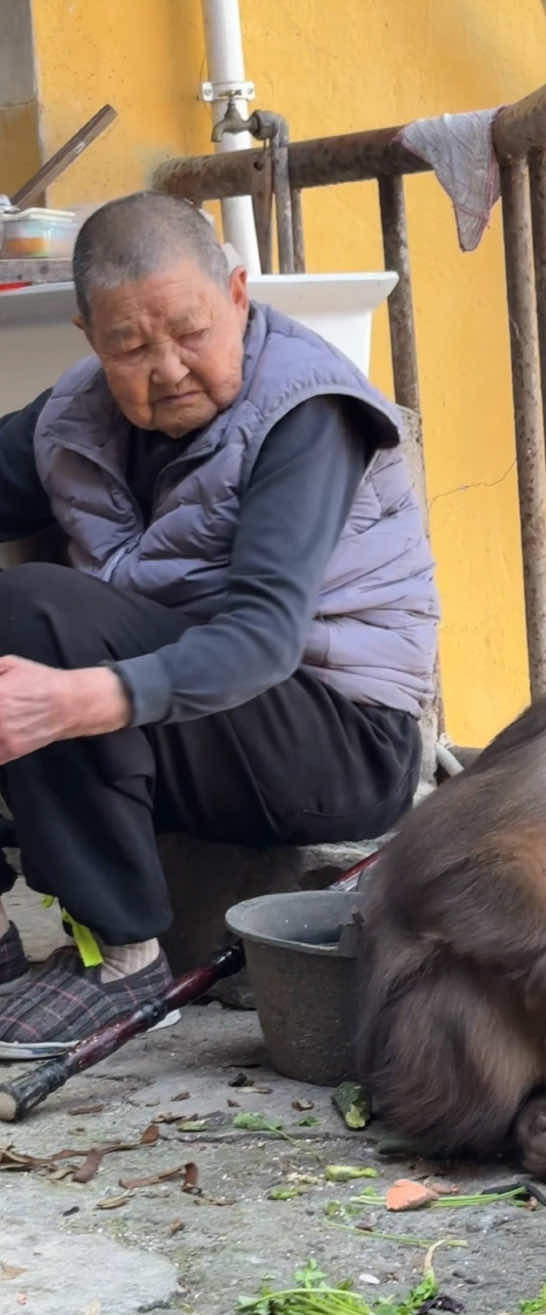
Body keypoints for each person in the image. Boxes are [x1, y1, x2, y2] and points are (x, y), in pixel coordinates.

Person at [0, 191, 439, 1056]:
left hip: (337, 734)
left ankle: (120, 957)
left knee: (33, 608)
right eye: (130, 344)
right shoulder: (76, 416)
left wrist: (79, 699)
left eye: (191, 331)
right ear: (90, 335)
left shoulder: (306, 412)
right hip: (186, 717)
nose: (166, 368)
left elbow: (263, 637)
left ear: (238, 295)